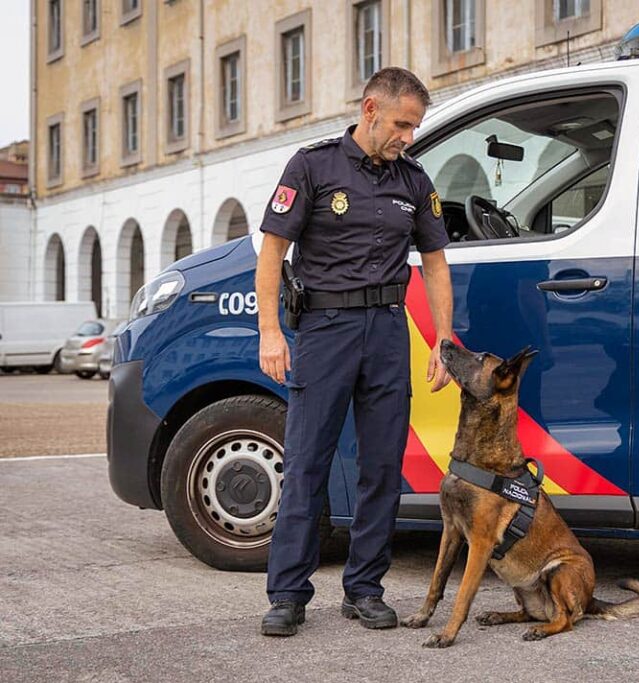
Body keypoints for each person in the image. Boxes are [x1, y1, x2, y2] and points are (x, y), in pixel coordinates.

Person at [255, 67, 453, 637]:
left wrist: (444, 337)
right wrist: (271, 331)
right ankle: (288, 594)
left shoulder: (414, 180)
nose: (408, 138)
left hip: (389, 332)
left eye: (414, 128)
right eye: (401, 124)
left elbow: (435, 262)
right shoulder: (312, 166)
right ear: (370, 109)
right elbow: (273, 253)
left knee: (383, 467)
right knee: (307, 464)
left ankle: (365, 588)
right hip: (325, 330)